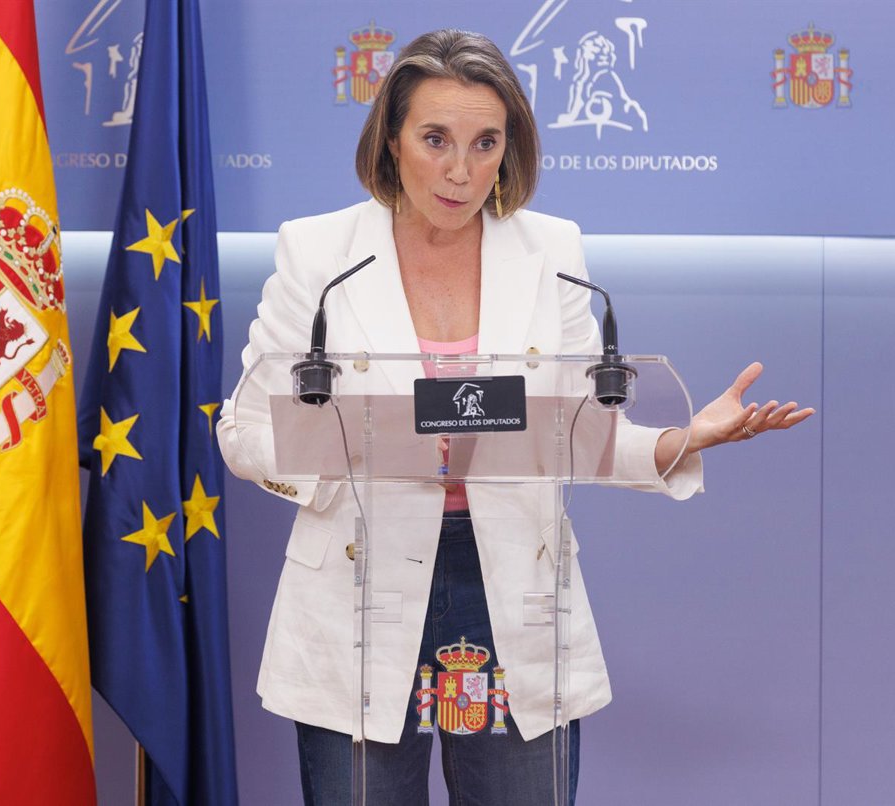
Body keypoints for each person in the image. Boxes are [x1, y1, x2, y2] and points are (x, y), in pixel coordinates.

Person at [217, 29, 813, 806]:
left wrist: (681, 439)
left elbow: (577, 435)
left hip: (510, 587)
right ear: (392, 139)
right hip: (359, 585)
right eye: (435, 139)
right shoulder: (318, 252)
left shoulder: (551, 250)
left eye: (485, 143)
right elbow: (244, 432)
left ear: (509, 147)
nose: (460, 171)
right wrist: (370, 447)